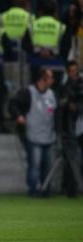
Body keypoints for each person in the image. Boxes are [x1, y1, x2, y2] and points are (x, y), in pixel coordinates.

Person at [8, 67, 57, 197]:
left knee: (47, 165)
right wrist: (19, 116)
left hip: (49, 135)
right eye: (50, 77)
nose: (53, 80)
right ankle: (33, 190)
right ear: (43, 79)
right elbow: (12, 104)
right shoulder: (28, 92)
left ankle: (46, 189)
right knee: (34, 164)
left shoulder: (51, 94)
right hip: (33, 135)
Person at [59, 60, 83, 197]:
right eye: (72, 70)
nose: (74, 73)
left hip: (80, 126)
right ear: (68, 72)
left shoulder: (81, 84)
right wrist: (68, 104)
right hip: (70, 128)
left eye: (76, 70)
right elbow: (61, 105)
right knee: (71, 161)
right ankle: (70, 189)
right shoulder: (64, 87)